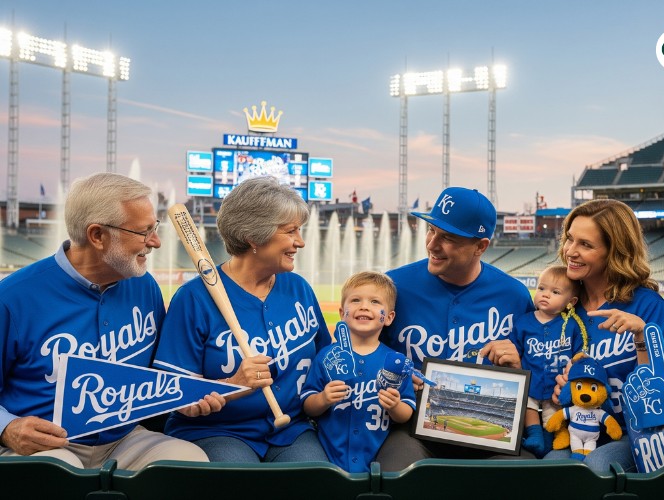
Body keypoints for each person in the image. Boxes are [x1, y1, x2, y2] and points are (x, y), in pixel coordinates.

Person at [0, 172, 211, 470]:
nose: (156, 242)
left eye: (155, 228)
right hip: (46, 444)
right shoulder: (13, 297)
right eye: (143, 232)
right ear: (97, 235)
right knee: (55, 470)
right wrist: (6, 429)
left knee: (189, 463)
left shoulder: (145, 285)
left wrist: (196, 392)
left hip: (124, 438)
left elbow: (160, 374)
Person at [153, 176, 331, 463]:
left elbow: (327, 358)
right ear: (254, 237)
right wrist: (233, 384)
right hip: (216, 430)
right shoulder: (194, 298)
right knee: (240, 483)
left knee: (316, 479)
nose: (300, 242)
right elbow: (175, 393)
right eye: (291, 231)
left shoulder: (299, 289)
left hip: (291, 428)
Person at [376, 186, 535, 470]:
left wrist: (519, 364)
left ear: (480, 246)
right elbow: (360, 354)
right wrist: (392, 375)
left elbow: (539, 371)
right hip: (412, 425)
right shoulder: (394, 286)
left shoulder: (514, 295)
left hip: (492, 429)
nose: (432, 244)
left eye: (448, 237)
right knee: (398, 473)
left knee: (526, 474)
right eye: (432, 230)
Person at [543, 199, 664, 474]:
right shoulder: (564, 309)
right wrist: (560, 391)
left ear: (614, 252)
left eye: (585, 245)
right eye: (569, 239)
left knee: (596, 468)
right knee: (547, 469)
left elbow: (662, 388)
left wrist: (641, 335)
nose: (570, 251)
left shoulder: (647, 306)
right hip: (578, 430)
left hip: (632, 432)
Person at [301, 271, 415, 472]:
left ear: (388, 317)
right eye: (355, 300)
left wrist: (395, 406)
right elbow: (308, 405)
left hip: (379, 458)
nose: (364, 306)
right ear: (342, 313)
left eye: (374, 302)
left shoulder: (397, 362)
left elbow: (406, 412)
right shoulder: (327, 357)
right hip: (328, 455)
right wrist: (323, 398)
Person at [512, 265, 587, 458]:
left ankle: (550, 437)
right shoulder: (523, 322)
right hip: (532, 380)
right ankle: (535, 434)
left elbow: (579, 352)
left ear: (571, 302)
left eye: (555, 292)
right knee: (527, 403)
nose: (545, 295)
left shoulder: (571, 325)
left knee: (553, 413)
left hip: (557, 386)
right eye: (541, 289)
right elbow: (515, 352)